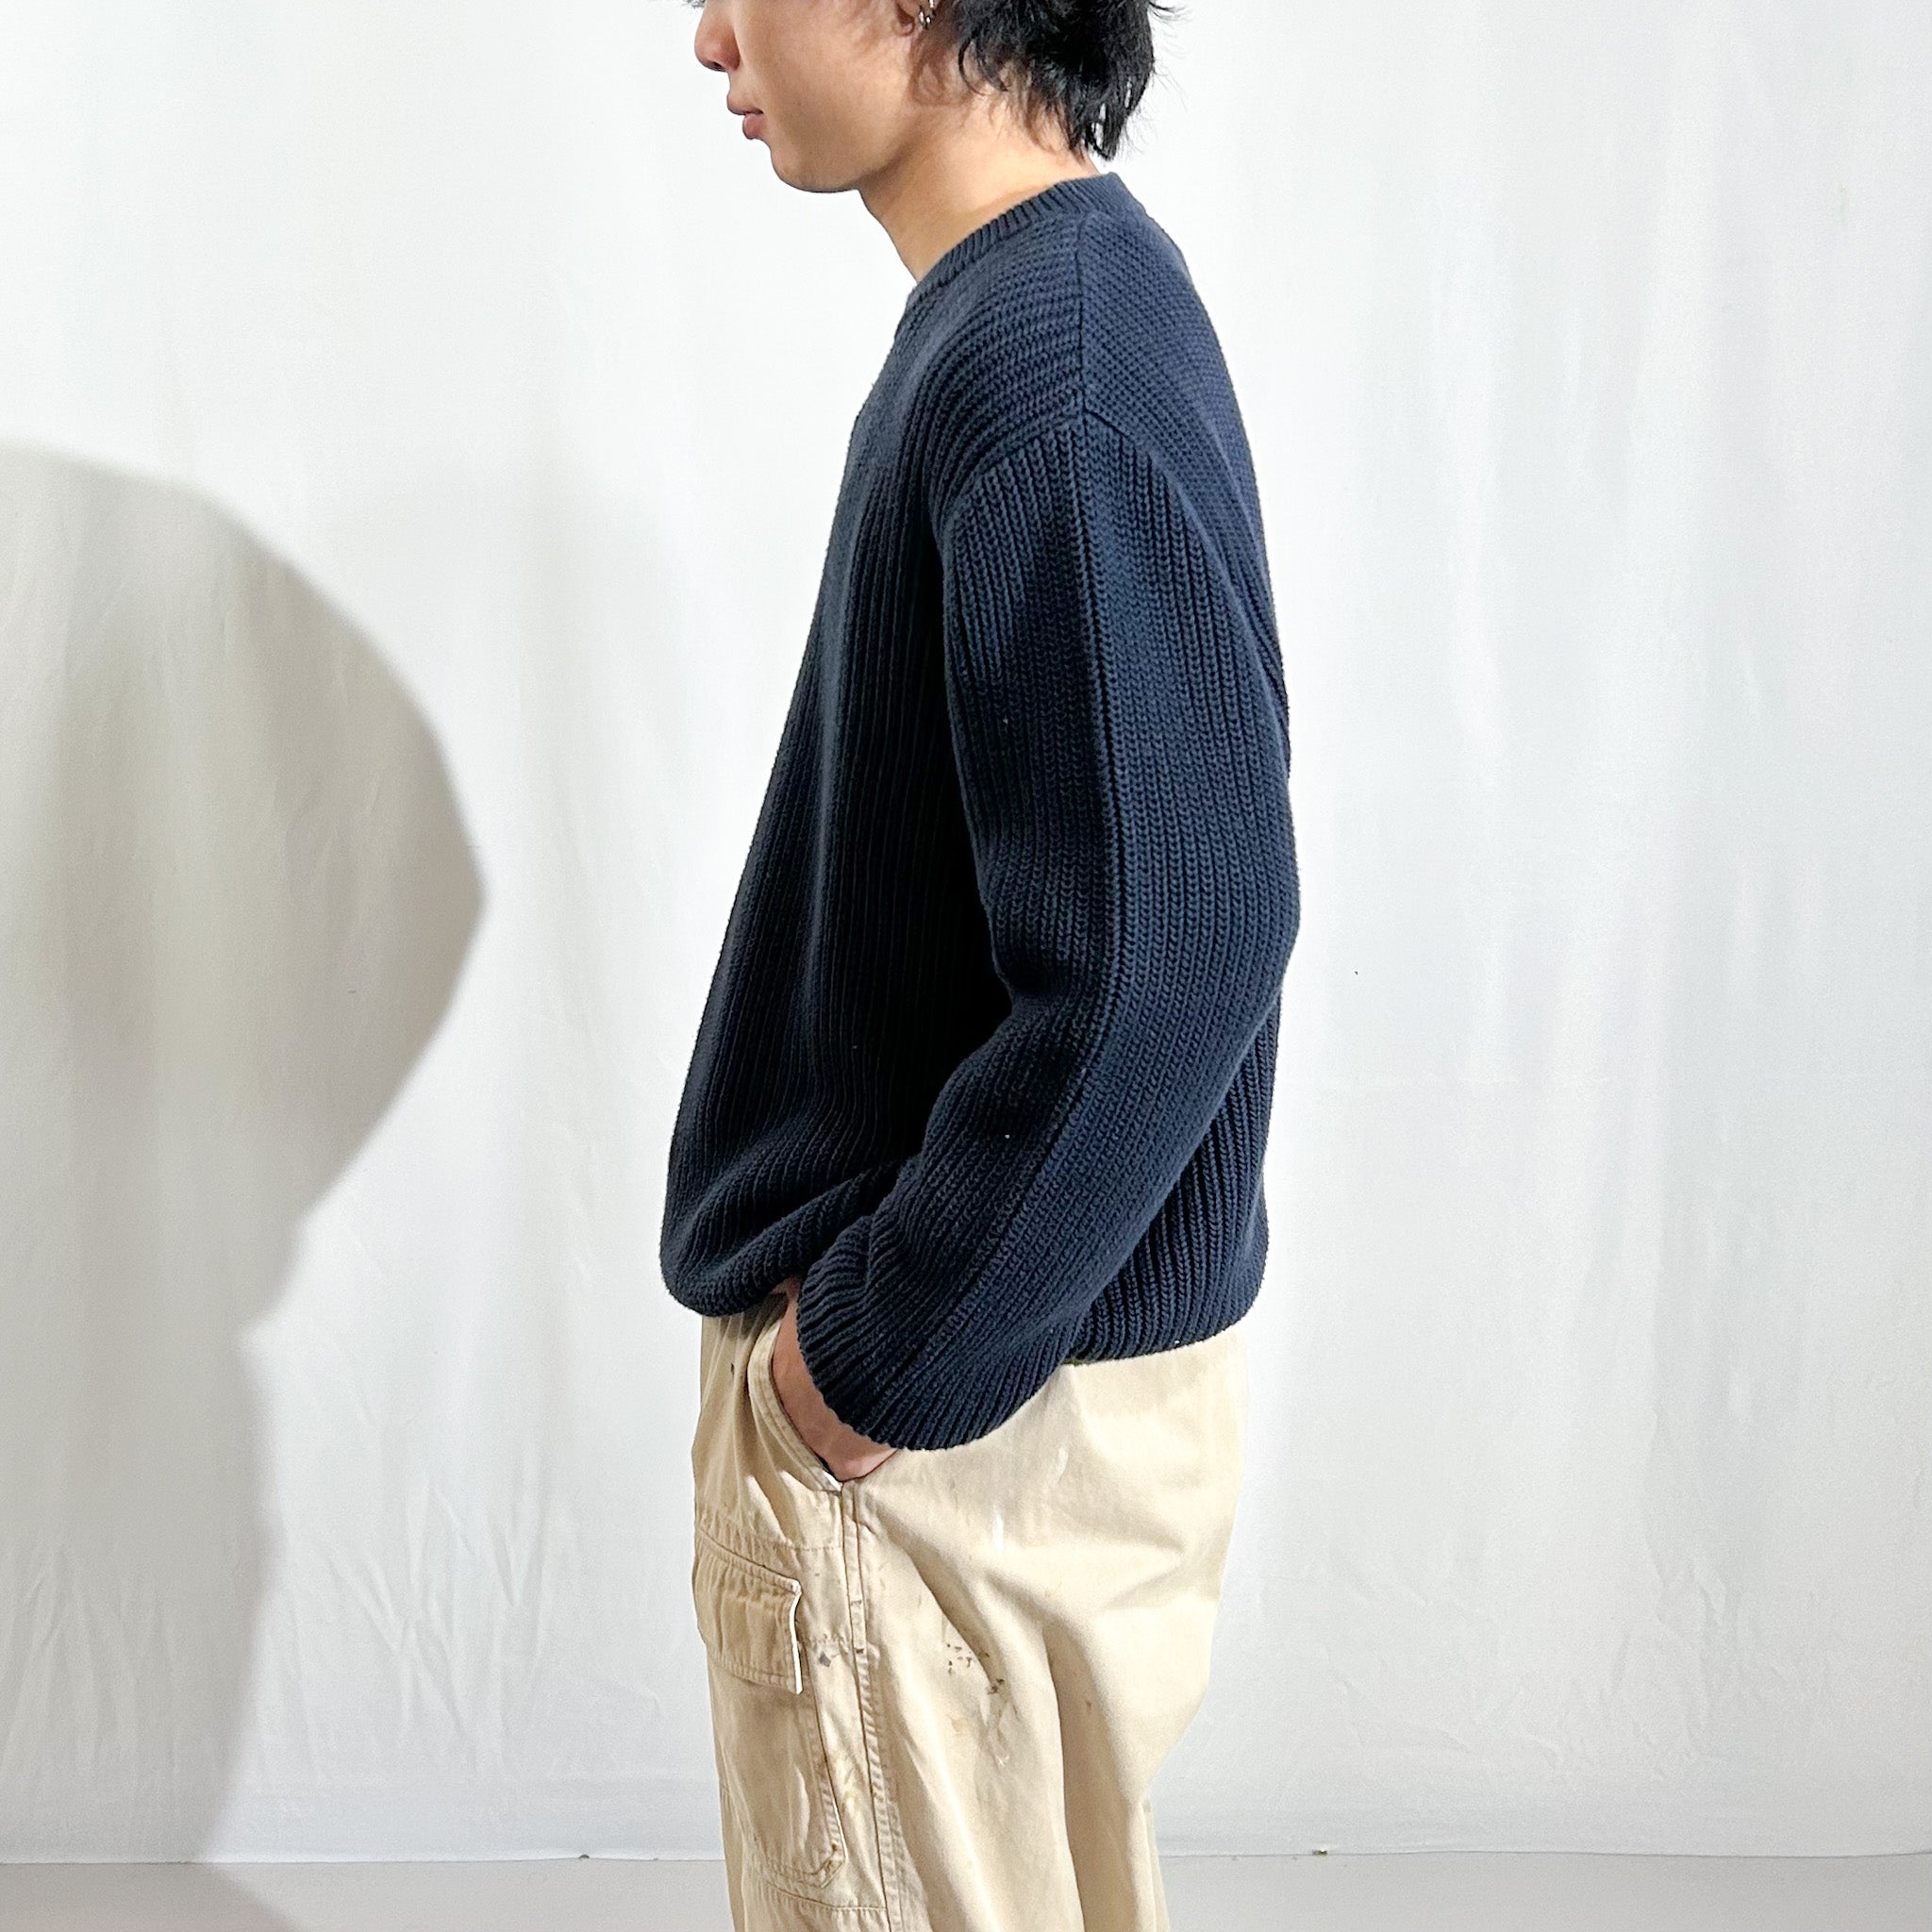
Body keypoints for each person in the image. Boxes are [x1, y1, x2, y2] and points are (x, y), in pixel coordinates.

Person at [661, 2, 1301, 1925]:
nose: (709, 38)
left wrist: (869, 1367)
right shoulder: (1051, 312)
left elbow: (1174, 946)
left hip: (957, 1443)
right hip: (1010, 1406)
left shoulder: (1049, 361)